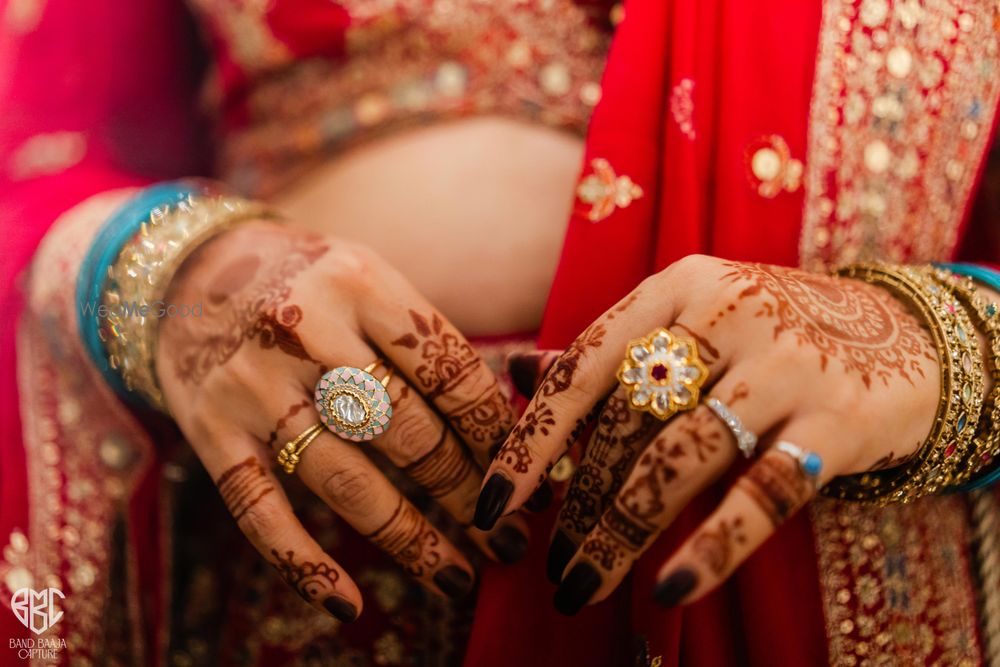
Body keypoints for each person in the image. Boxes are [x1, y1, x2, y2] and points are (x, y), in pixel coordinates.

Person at [1, 2, 998, 666]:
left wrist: (930, 345)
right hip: (316, 565)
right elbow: (36, 150)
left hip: (830, 542)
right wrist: (159, 272)